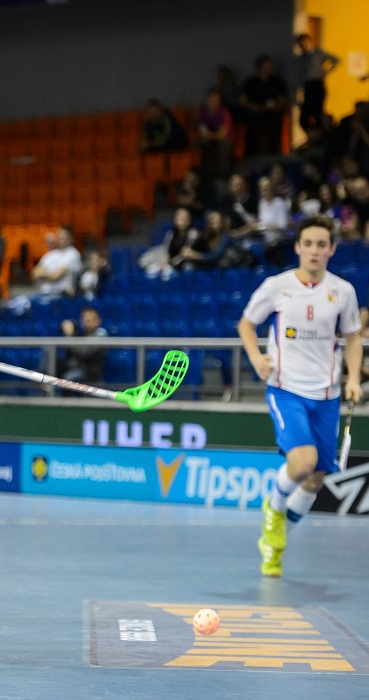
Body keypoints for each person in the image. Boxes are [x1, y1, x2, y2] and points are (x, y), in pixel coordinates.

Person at [238, 215, 363, 578]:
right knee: (303, 461)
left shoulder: (343, 291)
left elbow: (353, 336)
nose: (314, 250)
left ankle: (273, 545)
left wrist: (354, 377)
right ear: (297, 247)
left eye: (321, 245)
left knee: (314, 479)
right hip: (286, 389)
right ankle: (274, 510)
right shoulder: (276, 287)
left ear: (332, 250)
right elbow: (247, 324)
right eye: (308, 243)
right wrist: (256, 357)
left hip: (327, 395)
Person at [239, 54, 289, 161]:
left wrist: (271, 107)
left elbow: (282, 102)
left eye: (271, 65)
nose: (270, 68)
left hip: (272, 111)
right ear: (260, 67)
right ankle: (250, 155)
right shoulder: (250, 82)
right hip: (254, 112)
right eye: (267, 65)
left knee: (275, 120)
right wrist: (253, 106)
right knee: (249, 119)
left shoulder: (278, 82)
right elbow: (243, 101)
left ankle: (273, 154)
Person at [294, 34, 339, 134]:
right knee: (304, 117)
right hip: (308, 85)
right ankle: (313, 135)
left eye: (305, 43)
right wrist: (298, 94)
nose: (303, 46)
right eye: (301, 44)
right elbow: (301, 76)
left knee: (317, 113)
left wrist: (325, 71)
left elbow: (336, 60)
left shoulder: (318, 53)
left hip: (317, 84)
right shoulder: (301, 58)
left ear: (310, 42)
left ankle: (321, 137)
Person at [59, 306, 108, 392]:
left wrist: (70, 336)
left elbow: (85, 352)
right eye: (85, 319)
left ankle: (65, 403)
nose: (87, 322)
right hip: (75, 366)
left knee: (68, 378)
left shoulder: (101, 334)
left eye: (90, 320)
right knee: (49, 354)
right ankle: (43, 384)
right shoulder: (82, 334)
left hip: (89, 372)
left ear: (98, 321)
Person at [31, 226, 81, 297]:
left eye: (64, 235)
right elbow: (35, 273)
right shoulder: (52, 254)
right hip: (44, 293)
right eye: (60, 234)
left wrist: (43, 275)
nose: (61, 237)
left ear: (71, 238)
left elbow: (56, 276)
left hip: (61, 295)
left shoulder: (73, 253)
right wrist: (50, 275)